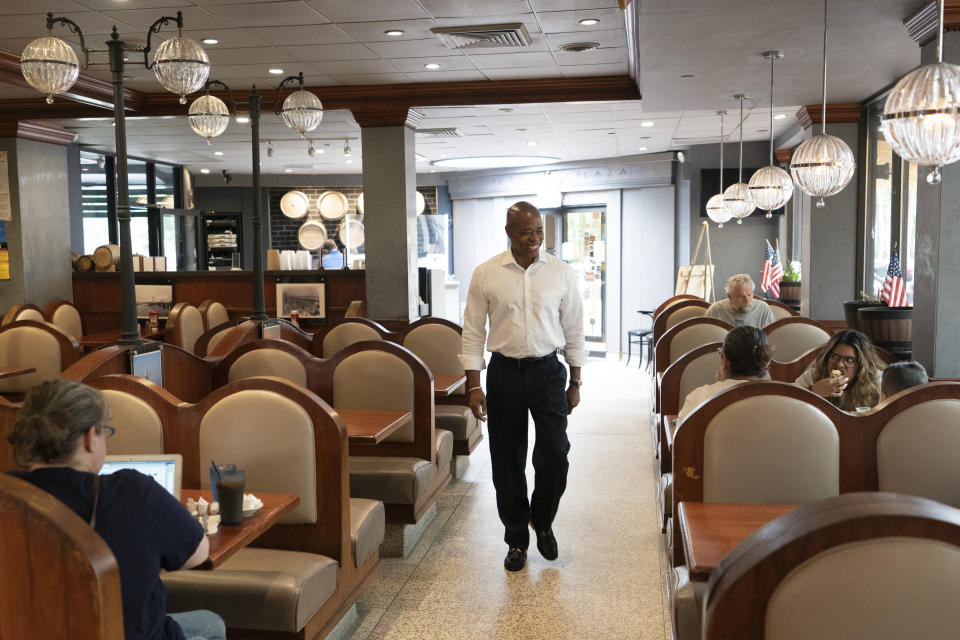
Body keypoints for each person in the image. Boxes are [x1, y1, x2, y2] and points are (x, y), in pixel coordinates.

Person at [7, 380, 226, 640]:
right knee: (211, 624)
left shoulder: (6, 497)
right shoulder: (133, 493)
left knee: (207, 622)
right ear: (90, 437)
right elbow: (198, 554)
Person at [459, 201, 585, 572]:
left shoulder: (561, 273)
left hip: (548, 372)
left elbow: (574, 328)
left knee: (555, 453)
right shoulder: (486, 274)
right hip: (503, 374)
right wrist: (473, 385)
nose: (534, 238)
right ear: (510, 233)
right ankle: (516, 538)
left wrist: (576, 380)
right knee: (507, 459)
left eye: (539, 231)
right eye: (527, 231)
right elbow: (472, 332)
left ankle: (542, 521)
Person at [678, 326, 773, 420]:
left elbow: (681, 434)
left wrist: (721, 385)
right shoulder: (784, 399)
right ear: (766, 362)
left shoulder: (699, 399)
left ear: (724, 360)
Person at [795, 329, 885, 411]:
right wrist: (813, 391)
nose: (839, 364)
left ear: (861, 365)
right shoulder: (815, 374)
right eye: (834, 356)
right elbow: (788, 400)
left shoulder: (877, 380)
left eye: (849, 360)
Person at [705, 274, 775, 328]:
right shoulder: (716, 310)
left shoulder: (763, 308)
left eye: (749, 295)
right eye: (741, 297)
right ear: (730, 297)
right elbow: (707, 336)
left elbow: (771, 337)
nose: (747, 300)